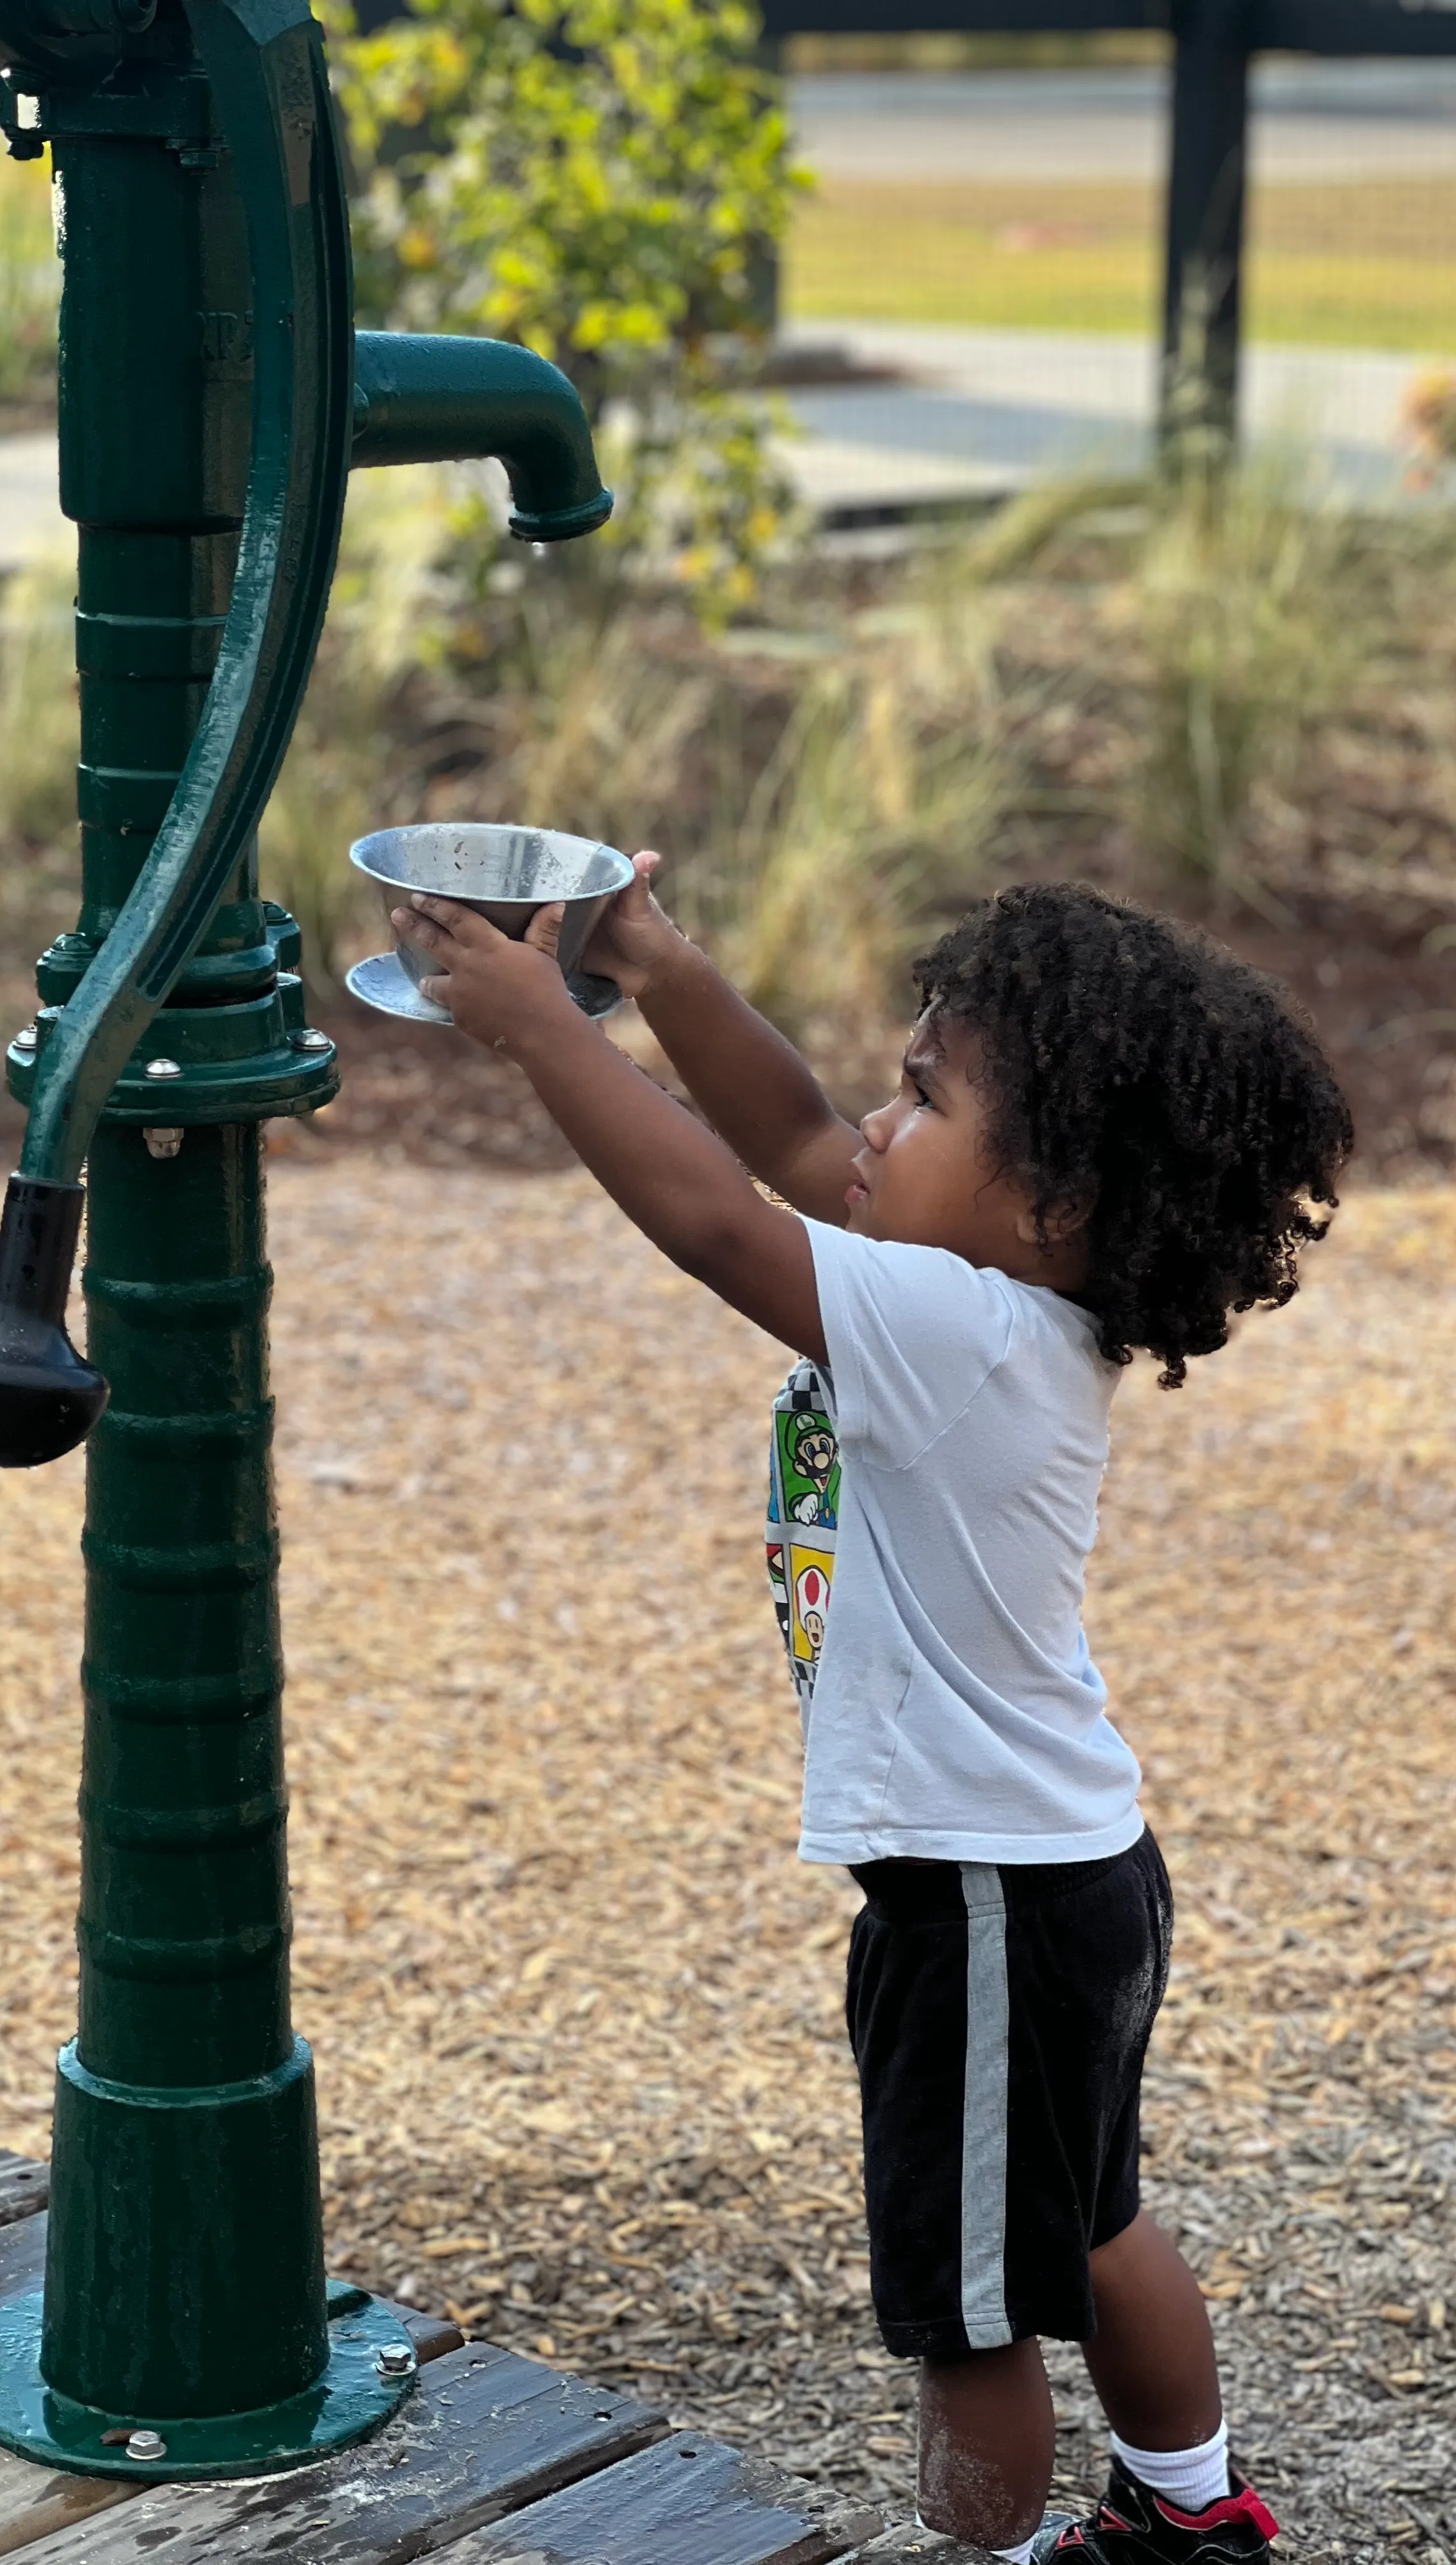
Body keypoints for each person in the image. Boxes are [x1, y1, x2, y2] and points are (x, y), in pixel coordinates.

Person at [391, 865, 1351, 2562]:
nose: (875, 1127)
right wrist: (662, 970)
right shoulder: (1001, 1298)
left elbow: (716, 1219)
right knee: (1095, 2217)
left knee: (968, 2308)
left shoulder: (955, 1327)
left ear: (1057, 1204)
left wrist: (546, 1025)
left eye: (924, 1099)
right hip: (1070, 1872)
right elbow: (795, 1140)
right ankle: (1198, 2518)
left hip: (984, 1897)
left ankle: (996, 2552)